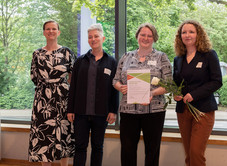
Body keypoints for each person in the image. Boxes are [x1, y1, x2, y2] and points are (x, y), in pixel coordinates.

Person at [113, 23, 172, 166]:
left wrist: (152, 92)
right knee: (127, 150)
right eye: (143, 35)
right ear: (137, 37)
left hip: (154, 111)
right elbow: (115, 80)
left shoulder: (161, 57)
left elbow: (169, 84)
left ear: (154, 38)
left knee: (152, 150)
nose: (145, 38)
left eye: (149, 35)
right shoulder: (126, 56)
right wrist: (121, 87)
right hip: (128, 111)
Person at [67, 23, 119, 166]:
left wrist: (113, 111)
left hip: (101, 113)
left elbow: (114, 89)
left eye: (96, 36)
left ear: (103, 38)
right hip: (80, 113)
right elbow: (73, 87)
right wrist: (70, 109)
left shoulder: (111, 62)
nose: (93, 39)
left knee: (98, 147)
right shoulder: (79, 61)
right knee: (80, 147)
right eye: (90, 37)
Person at [173, 20, 223, 166]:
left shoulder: (209, 55)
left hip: (203, 111)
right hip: (183, 111)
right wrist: (175, 93)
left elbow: (217, 81)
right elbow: (176, 83)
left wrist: (194, 94)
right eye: (184, 32)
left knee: (196, 152)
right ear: (180, 36)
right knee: (189, 154)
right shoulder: (178, 59)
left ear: (198, 34)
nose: (187, 35)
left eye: (191, 32)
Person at [28, 20, 75, 166]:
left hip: (63, 98)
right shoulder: (37, 53)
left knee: (64, 133)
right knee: (44, 135)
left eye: (54, 29)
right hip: (42, 99)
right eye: (48, 29)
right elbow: (34, 77)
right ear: (44, 33)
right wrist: (47, 88)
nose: (51, 31)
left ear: (58, 32)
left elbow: (73, 77)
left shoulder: (67, 52)